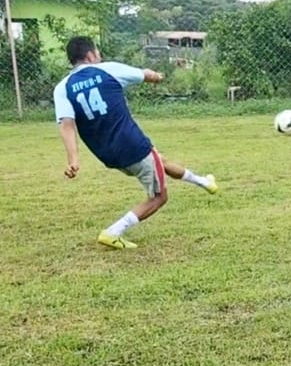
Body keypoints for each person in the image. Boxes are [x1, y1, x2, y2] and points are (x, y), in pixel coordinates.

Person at [53, 36, 219, 249]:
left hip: (107, 154)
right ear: (91, 55)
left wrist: (74, 160)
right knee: (159, 197)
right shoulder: (108, 69)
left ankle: (204, 182)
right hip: (132, 145)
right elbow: (146, 75)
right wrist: (157, 76)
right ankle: (113, 232)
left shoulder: (62, 88)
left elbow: (67, 124)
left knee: (159, 161)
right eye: (97, 52)